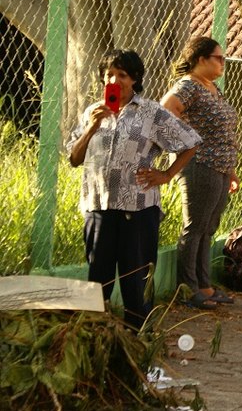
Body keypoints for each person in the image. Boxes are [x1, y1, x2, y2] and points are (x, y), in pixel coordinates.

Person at [68, 49, 201, 329]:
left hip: (138, 210)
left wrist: (166, 174)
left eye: (122, 75)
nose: (114, 80)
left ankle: (138, 341)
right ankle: (95, 338)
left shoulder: (151, 112)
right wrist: (92, 126)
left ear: (135, 79)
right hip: (99, 208)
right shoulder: (92, 111)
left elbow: (190, 142)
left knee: (136, 282)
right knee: (97, 281)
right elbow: (74, 158)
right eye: (109, 75)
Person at [161, 37, 239, 310]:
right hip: (199, 164)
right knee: (194, 228)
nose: (223, 62)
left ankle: (204, 287)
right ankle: (187, 289)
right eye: (218, 58)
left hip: (220, 166)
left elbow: (225, 131)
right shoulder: (188, 85)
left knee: (208, 229)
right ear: (200, 59)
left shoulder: (213, 88)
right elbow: (166, 109)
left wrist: (231, 170)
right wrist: (189, 140)